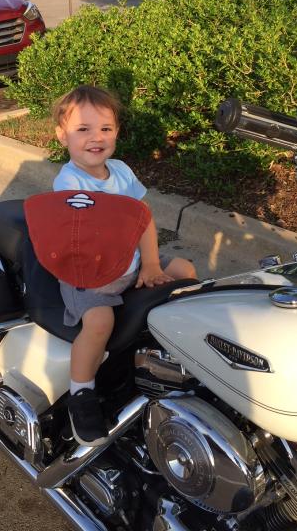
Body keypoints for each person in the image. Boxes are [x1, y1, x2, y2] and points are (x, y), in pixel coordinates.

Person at [52, 84, 197, 445]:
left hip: (130, 259)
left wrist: (150, 263)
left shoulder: (119, 170)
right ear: (62, 136)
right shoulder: (69, 181)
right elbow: (81, 239)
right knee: (99, 322)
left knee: (185, 271)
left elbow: (142, 219)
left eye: (105, 128)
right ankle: (81, 393)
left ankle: (177, 348)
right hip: (90, 272)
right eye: (82, 130)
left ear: (116, 131)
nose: (95, 138)